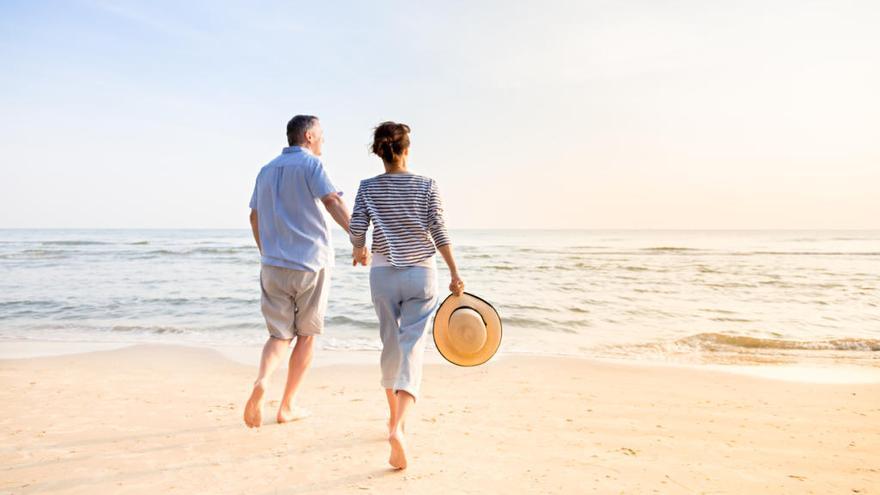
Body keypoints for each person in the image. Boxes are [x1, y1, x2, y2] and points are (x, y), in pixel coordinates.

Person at [349, 121, 465, 469]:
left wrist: (359, 251)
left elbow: (357, 228)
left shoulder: (367, 187)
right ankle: (399, 427)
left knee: (390, 344)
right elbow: (439, 230)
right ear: (407, 149)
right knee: (412, 346)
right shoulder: (426, 185)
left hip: (383, 274)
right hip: (421, 274)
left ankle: (391, 420)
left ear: (378, 152)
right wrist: (455, 272)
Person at [243, 115, 352, 428]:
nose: (322, 141)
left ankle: (263, 379)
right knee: (306, 336)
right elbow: (332, 200)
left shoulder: (265, 171)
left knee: (279, 335)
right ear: (308, 135)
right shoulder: (311, 166)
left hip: (273, 265)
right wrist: (356, 236)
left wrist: (267, 252)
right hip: (309, 263)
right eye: (320, 135)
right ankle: (287, 406)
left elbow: (254, 217)